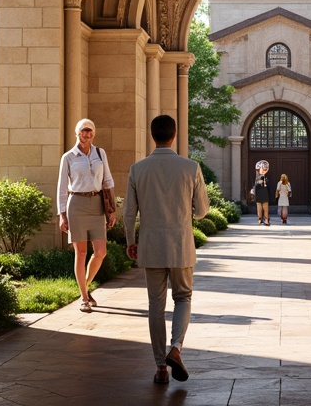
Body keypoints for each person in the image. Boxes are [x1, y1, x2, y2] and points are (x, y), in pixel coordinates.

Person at [124, 114, 210, 386]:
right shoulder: (190, 167)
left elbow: (128, 214)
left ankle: (161, 367)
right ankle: (176, 347)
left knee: (155, 306)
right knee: (183, 298)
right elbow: (202, 211)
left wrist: (130, 241)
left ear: (153, 135)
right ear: (173, 135)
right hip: (181, 243)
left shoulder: (138, 169)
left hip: (150, 245)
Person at [55, 118, 115, 313]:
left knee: (100, 252)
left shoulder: (100, 153)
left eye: (90, 131)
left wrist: (111, 210)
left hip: (97, 204)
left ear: (93, 133)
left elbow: (107, 181)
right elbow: (62, 187)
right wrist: (62, 214)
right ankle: (83, 298)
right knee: (80, 253)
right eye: (83, 131)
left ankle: (85, 286)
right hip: (77, 205)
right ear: (77, 133)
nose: (86, 134)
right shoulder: (68, 157)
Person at [252, 161, 271, 225]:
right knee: (259, 209)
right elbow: (255, 187)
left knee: (265, 209)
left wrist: (265, 181)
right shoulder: (256, 179)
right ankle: (260, 219)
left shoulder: (266, 178)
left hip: (265, 196)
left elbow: (269, 187)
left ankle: (266, 219)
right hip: (259, 196)